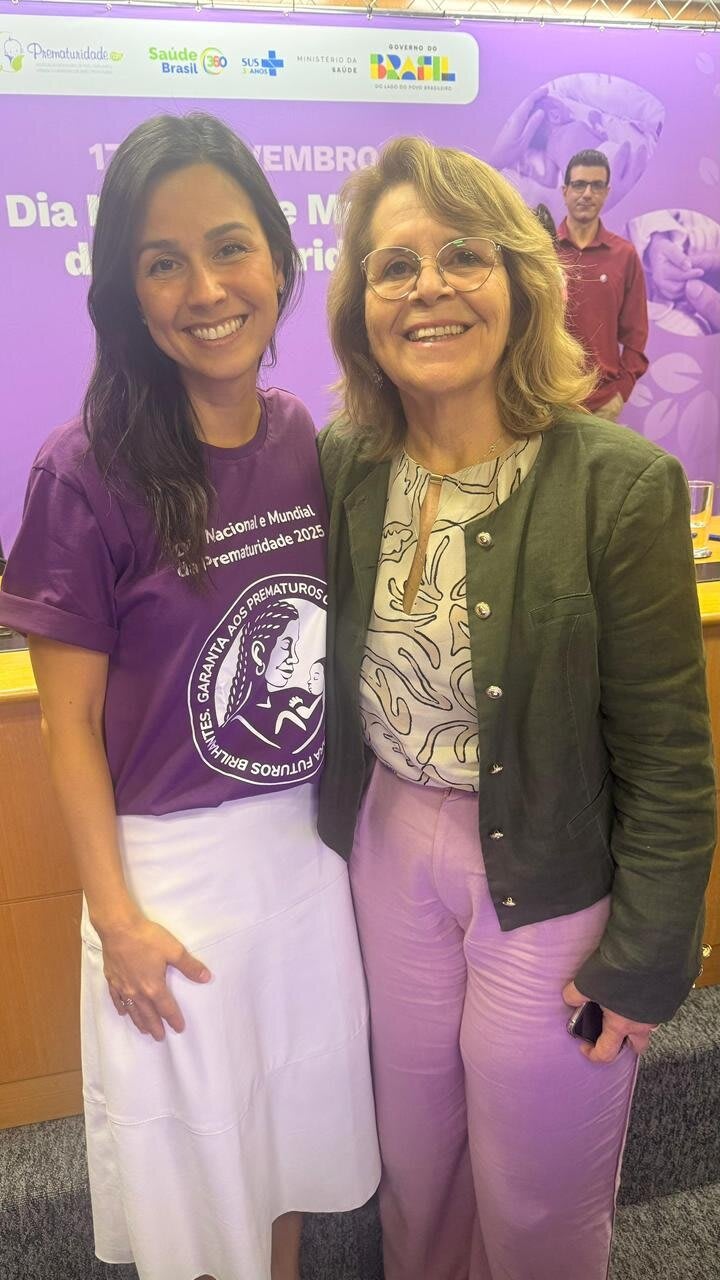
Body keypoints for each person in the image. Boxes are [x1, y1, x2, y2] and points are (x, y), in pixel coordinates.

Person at [318, 136, 715, 1280]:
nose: (430, 286)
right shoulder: (346, 462)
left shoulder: (616, 483)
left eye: (464, 255)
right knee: (417, 1165)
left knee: (536, 1195)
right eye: (395, 265)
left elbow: (669, 757)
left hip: (546, 870)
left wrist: (649, 957)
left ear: (520, 281)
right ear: (362, 306)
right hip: (388, 850)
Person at [0, 113, 379, 1280]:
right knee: (201, 1171)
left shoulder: (301, 433)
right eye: (163, 261)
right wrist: (115, 917)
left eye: (230, 246)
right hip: (167, 878)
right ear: (128, 289)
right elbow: (66, 724)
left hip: (303, 861)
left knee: (287, 1146)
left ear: (277, 253)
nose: (206, 289)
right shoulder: (84, 469)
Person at [556, 148, 649, 420]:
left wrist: (620, 393)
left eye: (596, 186)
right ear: (565, 191)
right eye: (579, 185)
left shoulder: (624, 255)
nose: (587, 193)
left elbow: (636, 336)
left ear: (607, 192)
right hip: (549, 401)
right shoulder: (542, 252)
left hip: (602, 406)